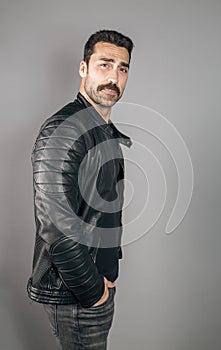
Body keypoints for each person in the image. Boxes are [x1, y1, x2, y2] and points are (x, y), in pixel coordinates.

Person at [27, 29, 134, 349]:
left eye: (122, 68)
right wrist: (93, 292)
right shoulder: (63, 131)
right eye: (105, 64)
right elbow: (57, 228)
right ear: (83, 68)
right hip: (76, 295)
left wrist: (108, 271)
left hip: (93, 287)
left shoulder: (100, 129)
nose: (114, 76)